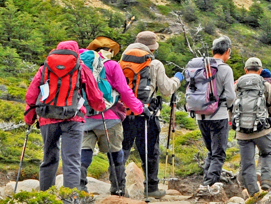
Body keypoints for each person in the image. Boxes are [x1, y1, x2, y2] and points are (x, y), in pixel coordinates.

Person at [24, 40, 106, 192]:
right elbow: (95, 96)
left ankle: (46, 198)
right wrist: (101, 107)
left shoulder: (45, 68)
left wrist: (29, 118)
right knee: (72, 161)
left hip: (47, 119)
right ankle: (70, 199)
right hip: (73, 119)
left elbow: (31, 96)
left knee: (49, 158)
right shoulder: (81, 68)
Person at [79, 37, 144, 196]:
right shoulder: (112, 66)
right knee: (115, 153)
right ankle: (118, 189)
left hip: (84, 118)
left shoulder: (79, 65)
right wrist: (139, 108)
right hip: (109, 118)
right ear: (108, 51)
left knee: (83, 153)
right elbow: (124, 91)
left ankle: (79, 188)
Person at [121, 30, 181, 199]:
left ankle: (118, 185)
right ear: (152, 48)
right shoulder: (154, 64)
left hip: (124, 112)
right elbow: (166, 89)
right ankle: (152, 187)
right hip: (146, 114)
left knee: (123, 149)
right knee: (149, 151)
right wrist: (177, 80)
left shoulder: (122, 61)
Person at [188, 36, 236, 197]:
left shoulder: (199, 66)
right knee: (218, 153)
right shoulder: (225, 69)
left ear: (213, 50)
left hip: (200, 115)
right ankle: (209, 186)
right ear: (227, 51)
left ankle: (205, 182)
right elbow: (230, 95)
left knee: (211, 151)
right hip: (219, 115)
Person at [233, 57, 271, 196]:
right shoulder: (265, 85)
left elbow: (230, 104)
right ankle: (266, 179)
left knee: (247, 163)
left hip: (242, 132)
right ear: (261, 70)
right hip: (261, 130)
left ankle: (254, 194)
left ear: (245, 70)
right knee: (268, 152)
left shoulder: (237, 84)